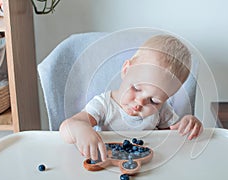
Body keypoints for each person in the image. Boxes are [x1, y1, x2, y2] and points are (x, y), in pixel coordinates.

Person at [59, 34, 203, 162]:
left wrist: (188, 124)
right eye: (136, 88)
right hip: (108, 162)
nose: (140, 102)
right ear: (126, 70)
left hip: (148, 165)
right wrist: (80, 130)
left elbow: (174, 137)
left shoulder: (162, 110)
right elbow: (67, 127)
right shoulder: (104, 105)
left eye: (154, 101)